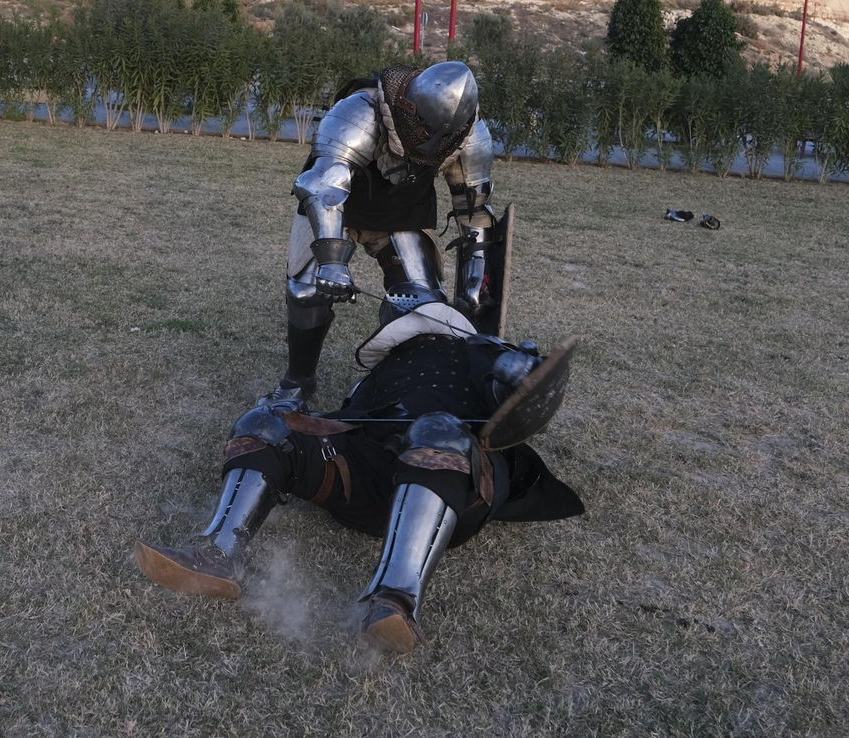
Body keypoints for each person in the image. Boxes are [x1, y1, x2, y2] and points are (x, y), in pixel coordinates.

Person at [135, 305, 582, 654]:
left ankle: (393, 601)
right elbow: (348, 422)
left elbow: (521, 405)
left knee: (437, 429)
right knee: (266, 421)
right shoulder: (382, 368)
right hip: (368, 479)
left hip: (453, 485)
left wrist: (514, 368)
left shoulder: (476, 349)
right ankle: (217, 553)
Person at [282, 62, 499, 397]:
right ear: (409, 109)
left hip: (403, 214)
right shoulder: (361, 110)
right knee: (307, 291)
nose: (435, 142)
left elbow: (473, 209)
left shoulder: (470, 133)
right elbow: (324, 185)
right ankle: (297, 384)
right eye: (427, 130)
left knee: (423, 305)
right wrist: (332, 262)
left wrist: (475, 281)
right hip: (336, 210)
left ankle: (407, 387)